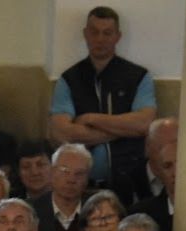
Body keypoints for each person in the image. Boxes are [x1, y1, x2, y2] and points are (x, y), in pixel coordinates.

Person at [49, 6, 157, 187]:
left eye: (107, 33)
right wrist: (123, 129)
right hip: (81, 182)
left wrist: (91, 119)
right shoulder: (69, 79)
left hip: (131, 177)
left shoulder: (139, 77)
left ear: (118, 37)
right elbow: (61, 133)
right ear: (85, 34)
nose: (100, 39)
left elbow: (145, 124)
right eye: (94, 32)